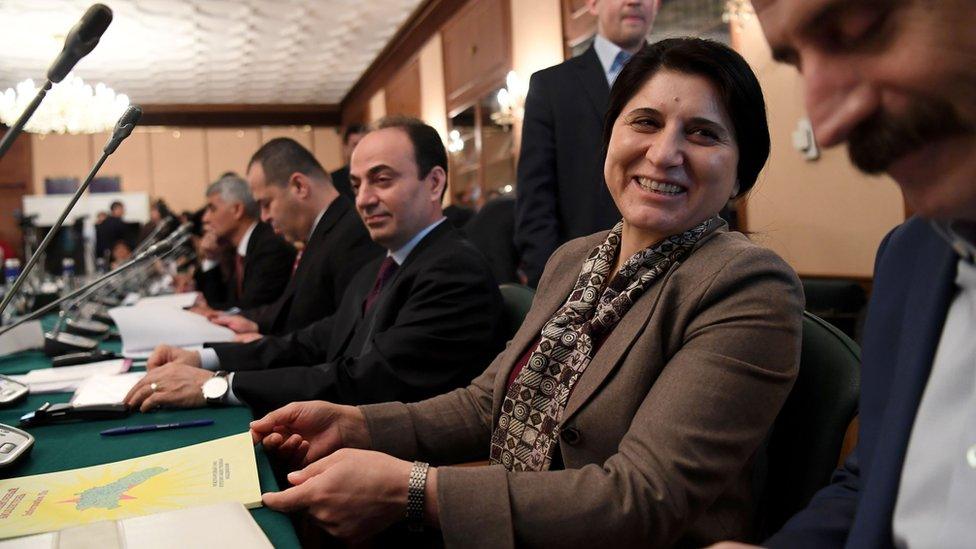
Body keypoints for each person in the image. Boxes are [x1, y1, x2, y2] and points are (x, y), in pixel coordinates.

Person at [248, 38, 804, 547]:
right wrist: (356, 424)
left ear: (740, 175)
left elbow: (641, 497)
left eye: (702, 133)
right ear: (611, 138)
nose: (663, 153)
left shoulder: (747, 286)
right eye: (646, 122)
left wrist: (413, 489)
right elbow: (486, 403)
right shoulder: (576, 259)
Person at [710, 0, 976, 547]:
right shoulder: (910, 260)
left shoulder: (742, 285)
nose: (825, 127)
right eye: (798, 63)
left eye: (859, 26)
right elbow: (873, 487)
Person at [124, 117, 505, 417]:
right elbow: (311, 343)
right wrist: (204, 358)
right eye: (356, 185)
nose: (365, 199)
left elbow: (362, 381)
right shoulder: (386, 265)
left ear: (434, 183)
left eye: (382, 180)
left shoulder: (454, 270)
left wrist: (216, 386)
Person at [514, 0, 660, 287]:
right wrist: (554, 285)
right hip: (582, 281)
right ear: (592, 3)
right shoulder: (552, 86)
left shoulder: (681, 81)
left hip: (672, 272)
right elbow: (536, 199)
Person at [210, 138, 382, 338]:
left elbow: (342, 333)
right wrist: (251, 323)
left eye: (266, 203)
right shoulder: (325, 231)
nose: (264, 217)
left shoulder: (354, 234)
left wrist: (264, 345)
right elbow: (291, 310)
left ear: (300, 186)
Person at [193, 174, 295, 311]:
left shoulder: (270, 247)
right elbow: (222, 301)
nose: (205, 218)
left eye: (212, 209)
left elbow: (249, 309)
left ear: (237, 210)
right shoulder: (238, 249)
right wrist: (211, 259)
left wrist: (205, 310)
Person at [329, 124, 367, 201]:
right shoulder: (333, 180)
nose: (360, 148)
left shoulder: (376, 175)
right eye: (355, 144)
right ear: (346, 148)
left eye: (363, 143)